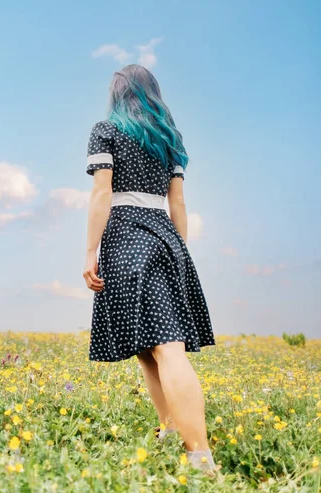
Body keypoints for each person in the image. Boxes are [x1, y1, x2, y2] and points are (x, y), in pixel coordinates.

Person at [82, 64, 219, 473]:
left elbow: (101, 194)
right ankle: (170, 429)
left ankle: (200, 459)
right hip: (165, 235)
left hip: (125, 237)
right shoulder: (169, 139)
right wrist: (179, 249)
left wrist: (90, 252)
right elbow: (177, 202)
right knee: (147, 349)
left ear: (116, 94)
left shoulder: (104, 130)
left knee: (166, 347)